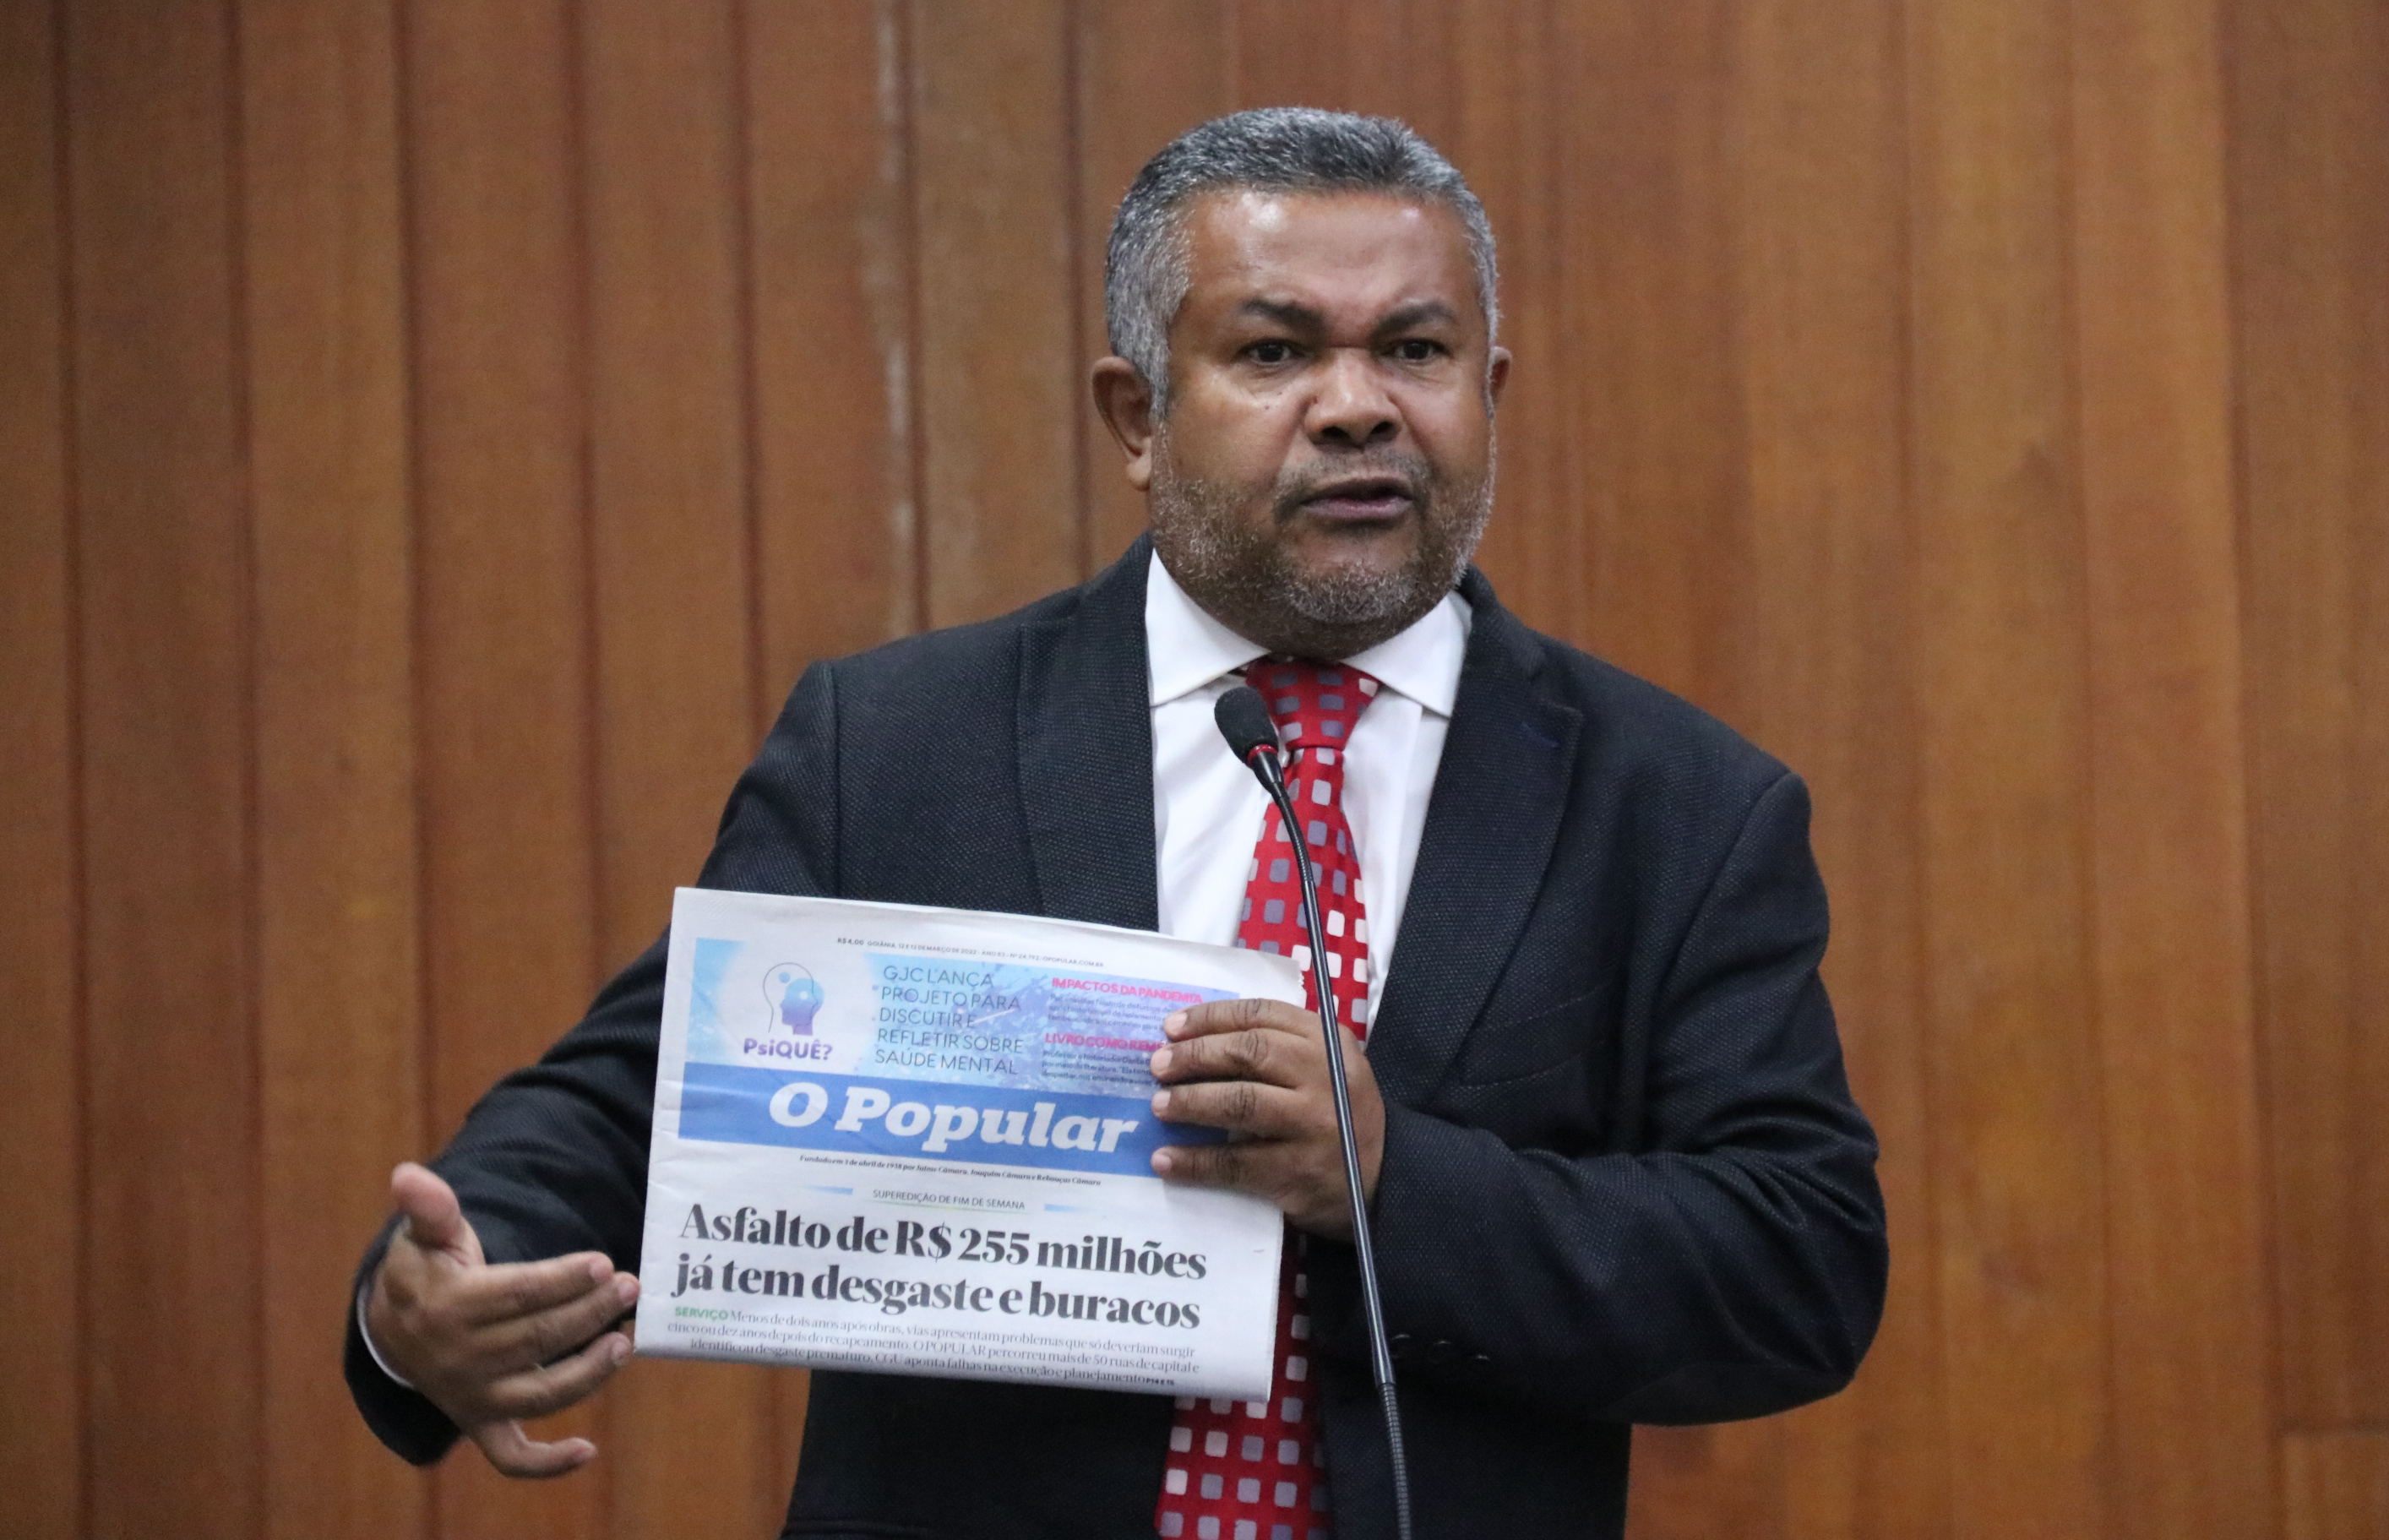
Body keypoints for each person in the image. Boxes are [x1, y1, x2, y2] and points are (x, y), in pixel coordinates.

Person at [347, 107, 1886, 1540]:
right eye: (1276, 351)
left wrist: (1391, 1177)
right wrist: (439, 1294)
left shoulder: (1675, 805)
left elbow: (1799, 1263)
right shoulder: (902, 744)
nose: (1359, 407)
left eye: (1415, 350)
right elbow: (653, 1098)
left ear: (1488, 395)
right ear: (1137, 414)